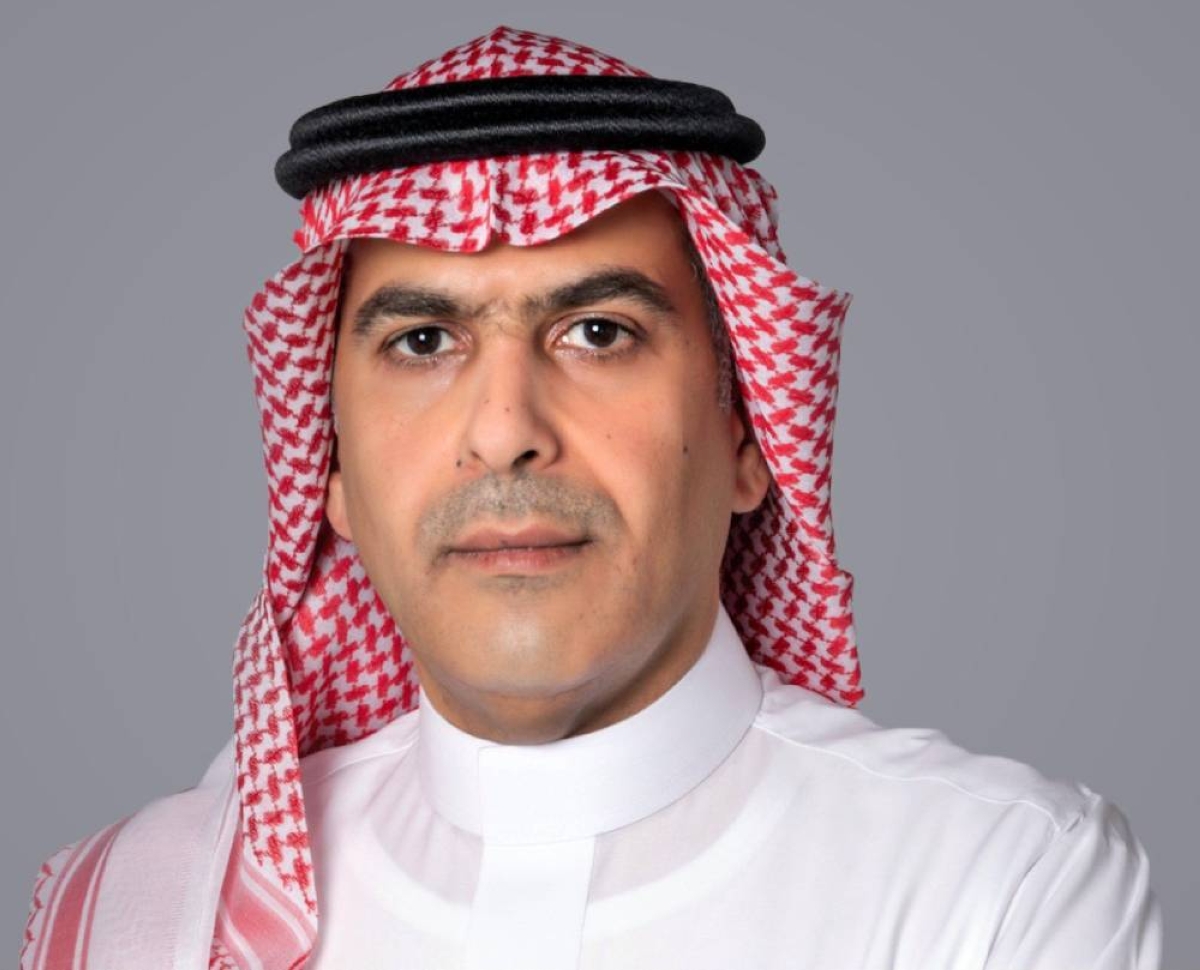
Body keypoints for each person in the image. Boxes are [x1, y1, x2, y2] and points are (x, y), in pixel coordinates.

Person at [20, 25, 1162, 970]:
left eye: (599, 333)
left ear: (748, 436)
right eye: (423, 341)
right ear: (334, 478)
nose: (506, 430)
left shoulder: (996, 885)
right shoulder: (135, 914)